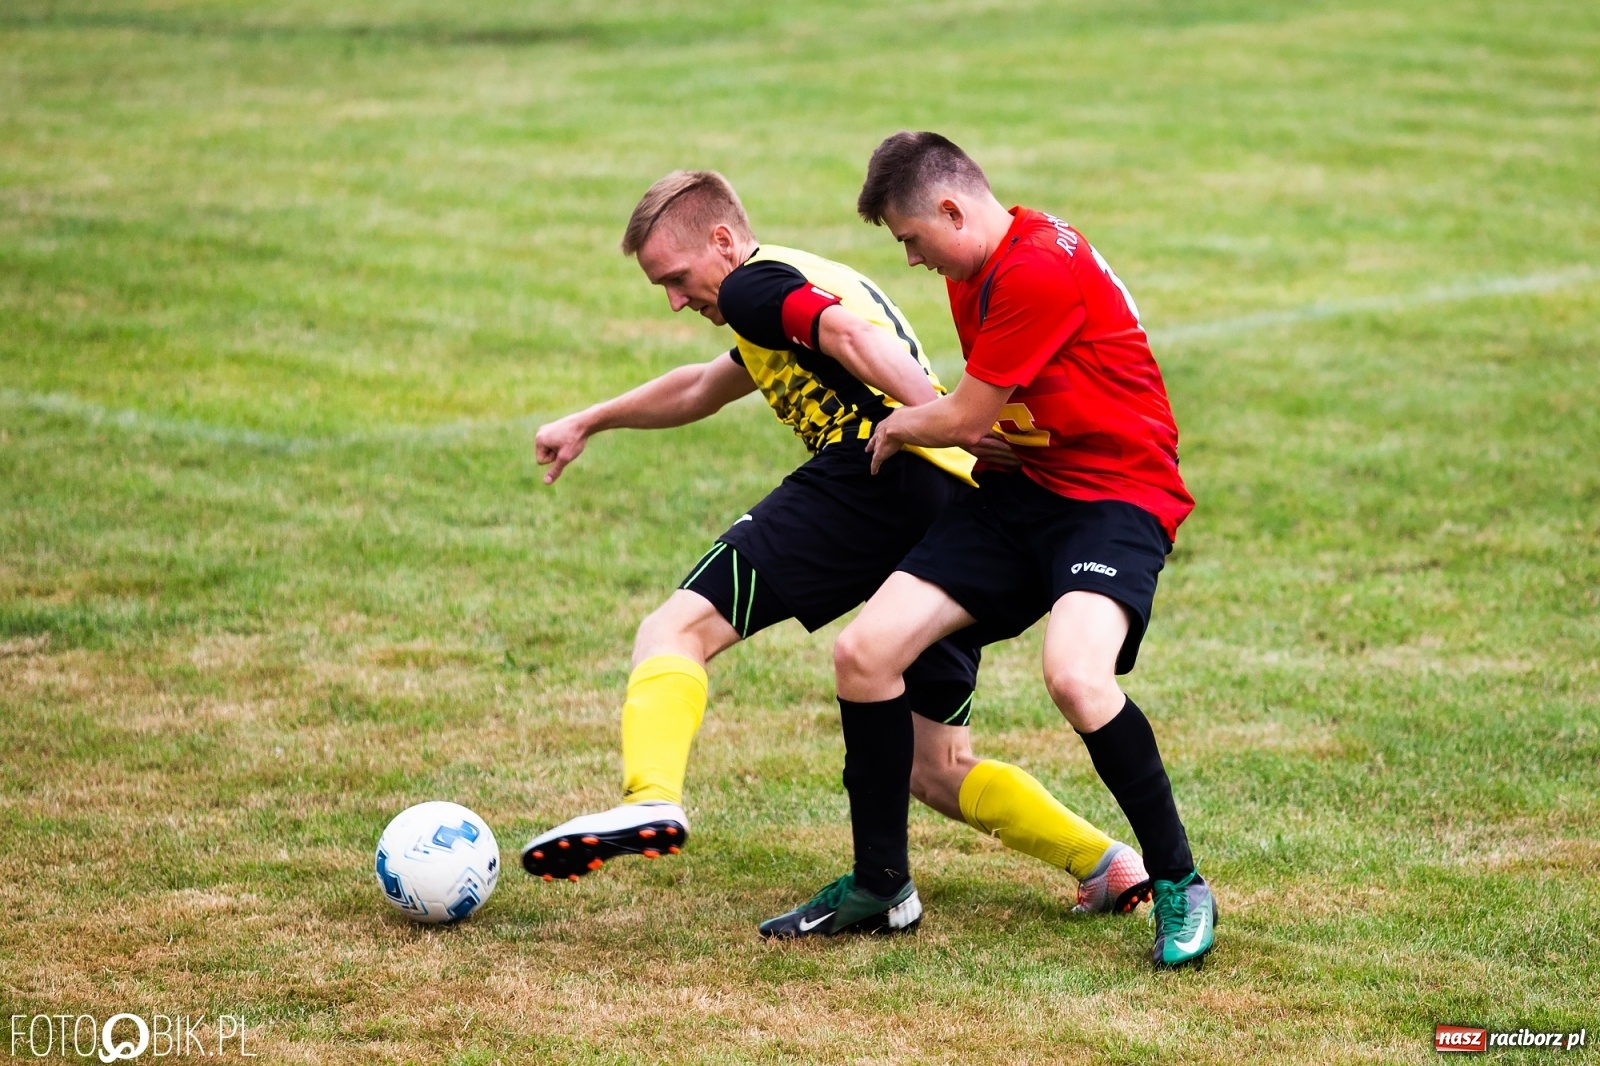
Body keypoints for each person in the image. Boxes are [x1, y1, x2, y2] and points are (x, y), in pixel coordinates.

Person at [522, 169, 1154, 935]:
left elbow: (853, 342)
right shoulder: (793, 282)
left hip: (875, 473)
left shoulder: (757, 286)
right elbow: (701, 388)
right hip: (951, 507)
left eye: (678, 279)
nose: (676, 300)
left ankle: (650, 797)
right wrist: (592, 419)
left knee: (673, 630)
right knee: (935, 764)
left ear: (724, 241)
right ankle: (1107, 862)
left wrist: (938, 415)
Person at [762, 134, 1215, 967]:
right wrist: (991, 428)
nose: (909, 258)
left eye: (910, 238)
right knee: (864, 654)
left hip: (1115, 498)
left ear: (951, 208)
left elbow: (962, 418)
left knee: (1076, 676)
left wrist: (903, 423)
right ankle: (880, 885)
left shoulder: (1034, 267)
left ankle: (1180, 879)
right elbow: (994, 412)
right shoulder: (980, 267)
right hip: (1022, 494)